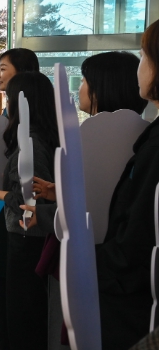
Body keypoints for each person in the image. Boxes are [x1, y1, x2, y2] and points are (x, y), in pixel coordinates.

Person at [23, 50, 148, 350]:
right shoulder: (142, 136)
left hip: (93, 264)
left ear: (102, 89)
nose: (79, 88)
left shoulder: (94, 139)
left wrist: (53, 206)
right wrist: (61, 190)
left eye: (84, 81)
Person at [0, 71, 59, 350]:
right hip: (33, 237)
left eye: (9, 98)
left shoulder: (30, 143)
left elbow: (26, 200)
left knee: (23, 315)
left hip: (26, 237)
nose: (6, 105)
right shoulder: (44, 137)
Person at [91, 24, 159, 350]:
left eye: (144, 56)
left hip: (132, 303)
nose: (139, 67)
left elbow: (138, 234)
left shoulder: (156, 144)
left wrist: (90, 263)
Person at [0, 48, 40, 350]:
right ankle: (2, 331)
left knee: (14, 275)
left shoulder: (28, 122)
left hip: (14, 208)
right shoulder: (10, 112)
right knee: (4, 273)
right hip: (1, 203)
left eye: (3, 68)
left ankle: (7, 334)